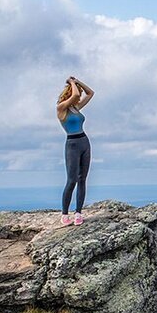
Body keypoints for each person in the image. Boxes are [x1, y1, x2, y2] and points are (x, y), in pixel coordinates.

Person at [56, 76, 94, 225]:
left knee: (82, 179)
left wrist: (77, 81)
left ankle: (78, 213)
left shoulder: (75, 108)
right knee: (71, 180)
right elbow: (77, 95)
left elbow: (90, 93)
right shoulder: (61, 109)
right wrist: (71, 82)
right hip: (72, 144)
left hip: (84, 142)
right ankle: (64, 214)